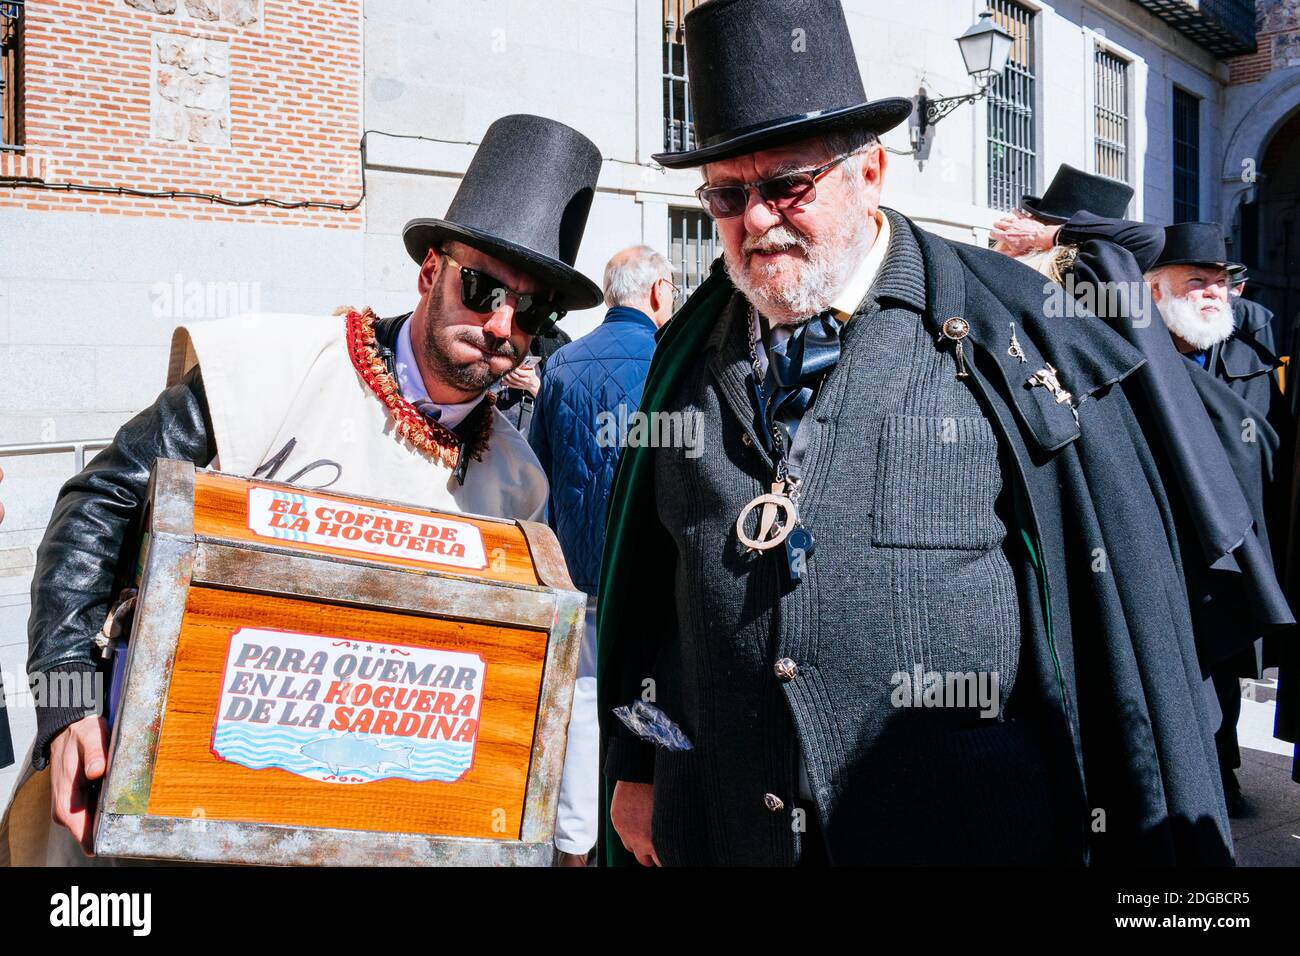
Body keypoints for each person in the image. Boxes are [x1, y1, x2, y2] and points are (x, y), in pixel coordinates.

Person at [598, 0, 1230, 867]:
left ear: (872, 173)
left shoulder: (1013, 335)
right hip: (730, 832)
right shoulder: (683, 362)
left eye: (788, 184)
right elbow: (650, 600)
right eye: (728, 194)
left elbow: (1117, 621)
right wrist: (638, 766)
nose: (755, 220)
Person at [0, 114, 605, 866]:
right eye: (481, 287)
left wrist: (566, 838)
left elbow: (547, 669)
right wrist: (66, 707)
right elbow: (97, 503)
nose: (501, 323)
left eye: (532, 308)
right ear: (430, 273)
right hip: (164, 810)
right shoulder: (272, 368)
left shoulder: (516, 483)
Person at [526, 244, 675, 863]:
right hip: (648, 583)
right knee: (645, 705)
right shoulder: (671, 365)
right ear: (661, 294)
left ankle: (577, 845)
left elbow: (535, 478)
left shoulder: (562, 365)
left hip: (577, 573)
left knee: (584, 712)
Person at [1147, 224, 1295, 812]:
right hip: (1165, 536)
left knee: (1228, 659)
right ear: (1156, 291)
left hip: (1235, 541)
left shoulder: (1252, 361)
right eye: (1197, 282)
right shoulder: (1138, 352)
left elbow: (1271, 453)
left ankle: (1223, 767)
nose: (1215, 294)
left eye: (1221, 283)